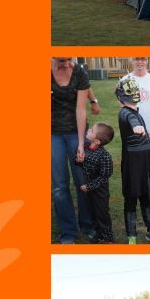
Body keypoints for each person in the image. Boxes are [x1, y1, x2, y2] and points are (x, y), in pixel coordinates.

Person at [51, 57, 94, 243]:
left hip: (76, 131)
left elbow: (81, 110)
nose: (67, 64)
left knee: (82, 180)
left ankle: (87, 224)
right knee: (60, 187)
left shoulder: (79, 73)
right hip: (52, 134)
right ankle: (68, 232)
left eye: (69, 59)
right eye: (62, 61)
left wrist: (80, 143)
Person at [116, 78, 150, 244]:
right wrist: (137, 126)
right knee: (131, 197)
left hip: (145, 162)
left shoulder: (136, 111)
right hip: (133, 165)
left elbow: (133, 116)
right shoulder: (125, 113)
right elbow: (129, 117)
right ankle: (132, 236)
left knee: (146, 195)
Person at [77, 122, 115, 244]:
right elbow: (80, 163)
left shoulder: (104, 156)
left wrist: (89, 186)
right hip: (89, 189)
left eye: (92, 130)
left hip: (100, 191)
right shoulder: (87, 148)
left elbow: (104, 177)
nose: (88, 130)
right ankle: (98, 234)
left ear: (97, 141)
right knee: (92, 211)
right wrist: (78, 160)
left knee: (102, 213)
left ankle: (107, 238)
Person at [121, 57, 150, 139]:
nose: (140, 62)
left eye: (143, 59)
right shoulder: (125, 80)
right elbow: (123, 106)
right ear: (131, 61)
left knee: (149, 150)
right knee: (135, 150)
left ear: (147, 61)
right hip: (133, 124)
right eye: (136, 59)